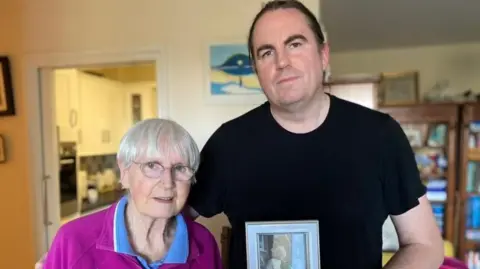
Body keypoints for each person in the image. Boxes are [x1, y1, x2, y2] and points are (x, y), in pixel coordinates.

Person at [36, 1, 444, 268]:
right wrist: (71, 251)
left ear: (323, 54)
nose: (282, 61)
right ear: (257, 70)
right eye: (266, 52)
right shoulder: (229, 145)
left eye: (295, 44)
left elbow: (424, 244)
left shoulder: (380, 136)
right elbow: (164, 210)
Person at [40, 119, 222, 268]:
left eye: (180, 168)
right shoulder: (73, 241)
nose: (168, 182)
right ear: (125, 173)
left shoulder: (203, 242)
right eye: (152, 166)